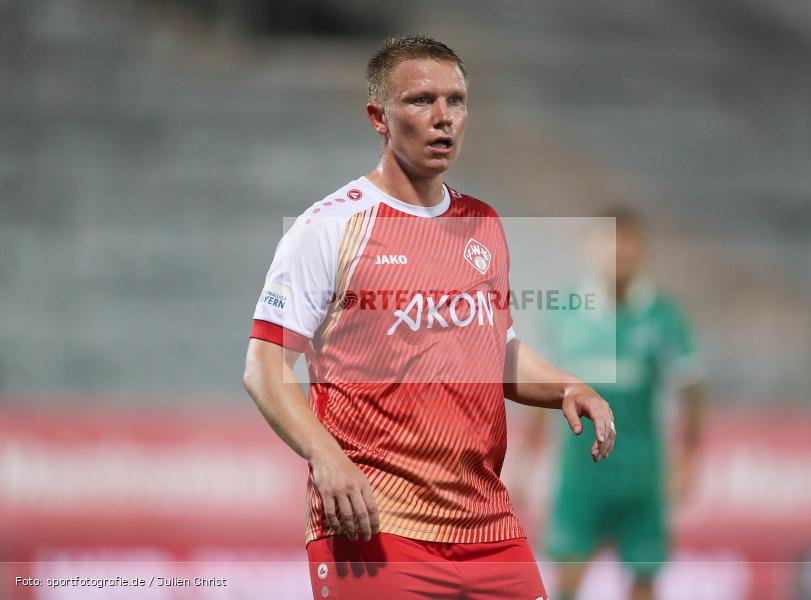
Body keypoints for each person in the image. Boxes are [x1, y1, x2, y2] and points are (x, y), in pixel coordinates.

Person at [242, 35, 616, 599]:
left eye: (456, 100)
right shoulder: (329, 228)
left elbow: (496, 352)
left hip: (487, 526)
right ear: (379, 117)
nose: (444, 118)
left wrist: (568, 386)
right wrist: (325, 456)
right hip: (374, 522)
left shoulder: (482, 223)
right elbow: (264, 367)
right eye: (421, 100)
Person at [522, 209, 706, 600]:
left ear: (642, 251)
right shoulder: (565, 311)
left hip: (641, 473)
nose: (618, 254)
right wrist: (527, 455)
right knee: (567, 578)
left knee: (644, 578)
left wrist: (689, 457)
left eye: (627, 245)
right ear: (591, 249)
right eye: (609, 244)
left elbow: (691, 389)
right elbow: (541, 388)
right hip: (579, 474)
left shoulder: (664, 316)